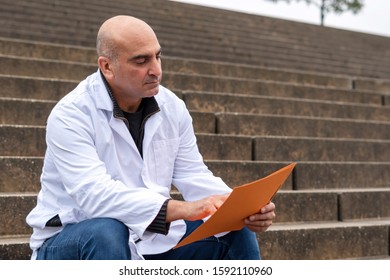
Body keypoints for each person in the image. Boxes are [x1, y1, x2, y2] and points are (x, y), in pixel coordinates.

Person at [26, 15, 276, 260]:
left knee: (233, 230)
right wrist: (180, 209)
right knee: (108, 230)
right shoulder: (71, 114)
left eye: (157, 56)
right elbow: (95, 196)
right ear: (107, 66)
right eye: (141, 61)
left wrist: (241, 209)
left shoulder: (171, 106)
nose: (155, 70)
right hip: (72, 239)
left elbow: (193, 175)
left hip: (149, 240)